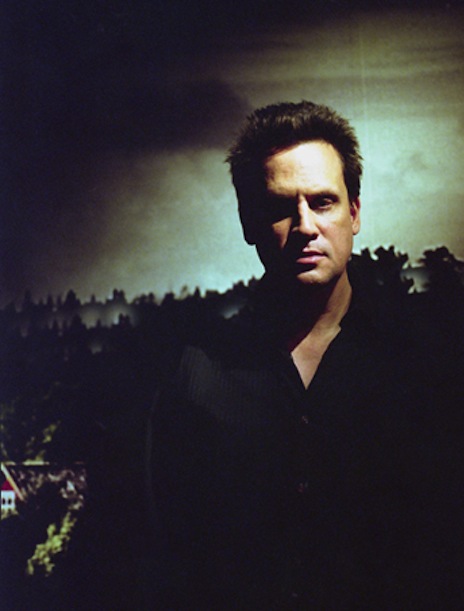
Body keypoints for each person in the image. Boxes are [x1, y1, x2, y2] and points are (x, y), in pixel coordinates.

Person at [146, 101, 425, 608]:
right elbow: (172, 556)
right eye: (279, 207)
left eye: (323, 202)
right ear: (248, 222)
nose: (305, 226)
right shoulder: (196, 377)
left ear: (354, 213)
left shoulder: (423, 363)